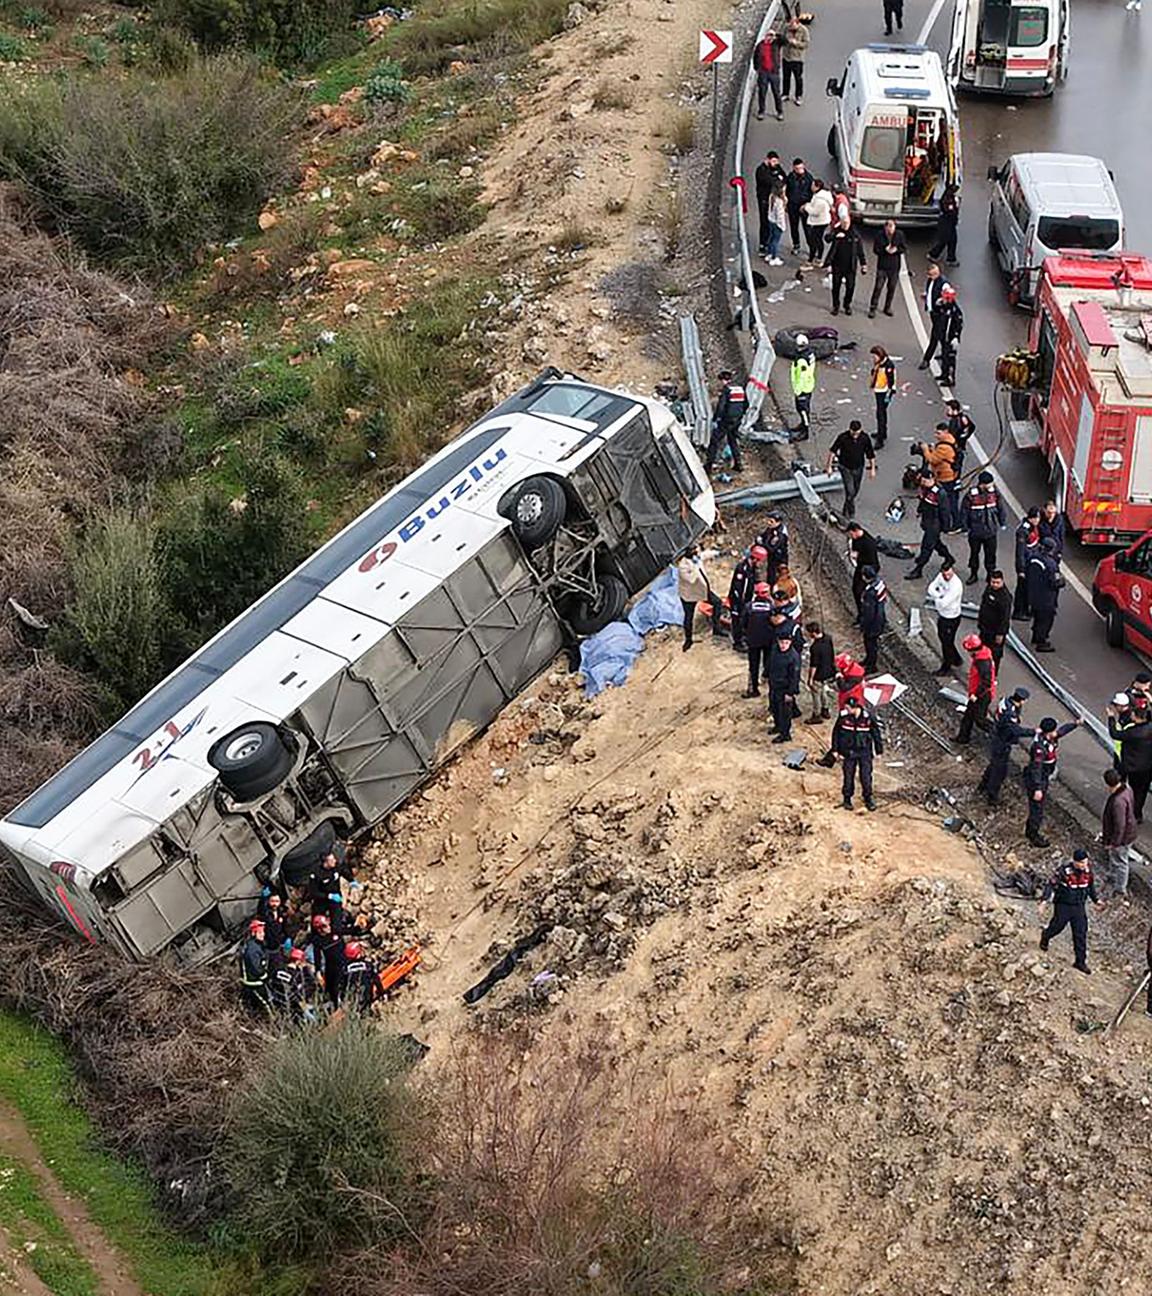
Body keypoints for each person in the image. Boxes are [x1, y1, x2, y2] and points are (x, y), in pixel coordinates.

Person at [1039, 849, 1099, 974]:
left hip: (1079, 906)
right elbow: (1050, 885)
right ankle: (1046, 936)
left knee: (1080, 934)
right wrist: (1044, 900)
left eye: (1085, 862)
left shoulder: (1088, 872)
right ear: (1075, 862)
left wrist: (1096, 900)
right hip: (1063, 905)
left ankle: (1080, 962)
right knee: (1057, 927)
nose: (1084, 865)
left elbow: (1090, 887)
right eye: (1081, 863)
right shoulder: (1063, 871)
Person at [1023, 716, 1081, 847]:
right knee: (1037, 809)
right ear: (1048, 732)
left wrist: (1075, 724)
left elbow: (1062, 731)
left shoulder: (1050, 738)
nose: (1056, 732)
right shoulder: (1039, 748)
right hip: (1037, 779)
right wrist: (1037, 788)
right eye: (1054, 730)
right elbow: (1036, 768)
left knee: (1039, 807)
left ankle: (1032, 830)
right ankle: (1032, 834)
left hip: (1044, 776)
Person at [977, 687, 1033, 806]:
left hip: (998, 735)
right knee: (999, 771)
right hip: (1002, 741)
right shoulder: (1010, 714)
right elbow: (1016, 730)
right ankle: (992, 796)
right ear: (1022, 700)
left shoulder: (1005, 701)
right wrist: (1034, 732)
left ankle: (983, 785)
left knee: (993, 764)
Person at [833, 694, 883, 811]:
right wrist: (836, 750)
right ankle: (847, 799)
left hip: (864, 752)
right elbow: (836, 734)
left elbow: (876, 734)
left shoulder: (868, 718)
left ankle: (868, 798)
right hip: (848, 751)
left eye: (848, 708)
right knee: (848, 776)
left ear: (854, 708)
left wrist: (879, 750)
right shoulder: (843, 717)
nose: (846, 710)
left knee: (865, 776)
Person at [1107, 693, 1152, 821]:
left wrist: (1110, 718)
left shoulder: (1134, 732)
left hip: (1133, 766)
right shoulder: (1149, 727)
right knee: (1141, 792)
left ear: (1137, 718)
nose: (1131, 715)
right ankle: (1137, 814)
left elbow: (1115, 734)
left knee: (1132, 790)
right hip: (1147, 767)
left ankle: (1127, 813)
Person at [905, 468, 954, 579]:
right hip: (927, 521)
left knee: (927, 547)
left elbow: (945, 511)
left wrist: (946, 527)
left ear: (931, 479)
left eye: (925, 480)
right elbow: (923, 501)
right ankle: (948, 557)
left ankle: (919, 569)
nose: (923, 482)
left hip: (934, 523)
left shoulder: (940, 493)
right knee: (936, 543)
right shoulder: (924, 489)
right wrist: (919, 511)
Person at [961, 470, 1008, 581]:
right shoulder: (971, 495)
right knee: (974, 554)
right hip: (975, 532)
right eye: (989, 484)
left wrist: (1002, 522)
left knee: (991, 555)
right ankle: (973, 574)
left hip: (990, 532)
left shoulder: (994, 493)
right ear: (982, 484)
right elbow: (964, 512)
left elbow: (1001, 508)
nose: (991, 485)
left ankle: (990, 574)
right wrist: (965, 528)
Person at [826, 420, 876, 520]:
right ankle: (850, 513)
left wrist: (872, 468)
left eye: (857, 433)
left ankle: (846, 509)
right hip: (845, 467)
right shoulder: (843, 437)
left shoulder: (864, 438)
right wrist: (829, 466)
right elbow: (832, 451)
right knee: (850, 490)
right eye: (853, 433)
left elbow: (870, 454)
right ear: (850, 430)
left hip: (859, 468)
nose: (854, 436)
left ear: (860, 430)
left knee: (854, 491)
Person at [1101, 768, 1137, 896]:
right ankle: (1112, 876)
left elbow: (1119, 825)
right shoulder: (1127, 789)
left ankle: (1120, 889)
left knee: (1121, 861)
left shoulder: (1117, 802)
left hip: (1122, 838)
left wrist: (1114, 843)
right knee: (1115, 858)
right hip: (1130, 831)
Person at [823, 215, 867, 316]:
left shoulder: (855, 235)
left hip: (850, 266)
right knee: (836, 287)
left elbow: (860, 251)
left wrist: (863, 264)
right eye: (843, 223)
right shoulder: (837, 231)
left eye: (847, 223)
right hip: (837, 265)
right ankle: (836, 306)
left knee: (850, 287)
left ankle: (847, 305)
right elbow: (827, 238)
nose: (845, 225)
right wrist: (835, 236)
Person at [956, 632, 995, 743]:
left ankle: (997, 732)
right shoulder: (983, 654)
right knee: (968, 717)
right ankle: (962, 738)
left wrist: (975, 695)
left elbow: (986, 682)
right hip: (979, 692)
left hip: (982, 694)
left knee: (979, 719)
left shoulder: (982, 662)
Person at [704, 370, 746, 473]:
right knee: (732, 441)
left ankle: (708, 466)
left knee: (715, 441)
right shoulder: (740, 389)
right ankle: (738, 464)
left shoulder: (727, 390)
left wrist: (715, 419)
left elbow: (721, 407)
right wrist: (739, 416)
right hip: (737, 420)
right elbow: (746, 404)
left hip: (727, 420)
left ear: (724, 380)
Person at [927, 559, 964, 675]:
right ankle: (956, 659)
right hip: (943, 615)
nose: (946, 577)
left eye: (949, 574)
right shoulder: (941, 576)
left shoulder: (956, 585)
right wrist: (939, 596)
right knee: (945, 639)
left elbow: (944, 603)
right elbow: (931, 588)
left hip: (951, 617)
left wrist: (937, 599)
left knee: (946, 642)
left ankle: (946, 666)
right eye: (945, 574)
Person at [920, 284, 963, 385]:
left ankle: (950, 379)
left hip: (951, 337)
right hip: (943, 335)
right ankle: (944, 374)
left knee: (950, 359)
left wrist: (956, 337)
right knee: (944, 356)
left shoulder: (955, 311)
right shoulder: (944, 306)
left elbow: (958, 325)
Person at [1026, 536, 1063, 652]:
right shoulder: (1051, 564)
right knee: (1046, 620)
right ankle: (1041, 642)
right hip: (1047, 597)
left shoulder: (1033, 558)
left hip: (1033, 594)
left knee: (1037, 617)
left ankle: (1035, 636)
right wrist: (1062, 581)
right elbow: (1055, 582)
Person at [728, 545, 767, 652]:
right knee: (737, 620)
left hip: (747, 599)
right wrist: (738, 604)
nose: (761, 564)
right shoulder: (742, 569)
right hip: (738, 600)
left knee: (745, 619)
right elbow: (738, 589)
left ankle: (743, 636)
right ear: (755, 559)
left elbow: (753, 581)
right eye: (760, 561)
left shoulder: (752, 568)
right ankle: (737, 643)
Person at [920, 425, 959, 530]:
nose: (936, 436)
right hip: (949, 474)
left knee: (948, 502)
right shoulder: (950, 440)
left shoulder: (944, 447)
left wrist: (925, 450)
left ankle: (954, 524)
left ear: (946, 432)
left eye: (938, 433)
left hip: (945, 476)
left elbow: (932, 460)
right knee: (951, 499)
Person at [677, 544, 715, 651]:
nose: (696, 552)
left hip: (702, 591)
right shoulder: (683, 566)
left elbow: (704, 555)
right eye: (693, 550)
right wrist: (695, 566)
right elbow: (691, 579)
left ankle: (717, 628)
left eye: (696, 549)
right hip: (689, 596)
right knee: (689, 618)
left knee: (717, 603)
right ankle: (688, 640)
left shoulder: (696, 558)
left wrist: (717, 553)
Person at [767, 628, 801, 743]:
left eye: (786, 643)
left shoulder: (793, 657)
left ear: (790, 642)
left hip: (785, 688)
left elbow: (795, 677)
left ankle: (785, 734)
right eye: (781, 642)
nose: (783, 645)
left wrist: (791, 692)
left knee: (785, 713)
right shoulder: (775, 650)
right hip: (774, 685)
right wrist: (765, 675)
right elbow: (770, 663)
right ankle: (777, 726)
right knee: (774, 708)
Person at [742, 582, 774, 697]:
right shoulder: (772, 607)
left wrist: (747, 634)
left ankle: (753, 689)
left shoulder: (749, 606)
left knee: (753, 666)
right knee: (769, 663)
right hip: (768, 641)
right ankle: (770, 686)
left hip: (753, 640)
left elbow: (743, 623)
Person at [977, 570, 1013, 670]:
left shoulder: (1005, 597)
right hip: (985, 628)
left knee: (995, 654)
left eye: (997, 582)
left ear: (1002, 581)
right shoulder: (989, 589)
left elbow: (1005, 617)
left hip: (995, 631)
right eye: (993, 582)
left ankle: (993, 673)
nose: (995, 585)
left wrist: (1000, 633)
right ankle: (981, 670)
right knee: (981, 651)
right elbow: (983, 606)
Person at [869, 220, 906, 318]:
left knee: (892, 287)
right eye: (888, 226)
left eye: (892, 226)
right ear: (885, 227)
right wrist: (884, 250)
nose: (890, 229)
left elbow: (904, 248)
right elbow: (875, 250)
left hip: (894, 266)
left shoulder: (899, 235)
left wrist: (896, 250)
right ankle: (873, 307)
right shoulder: (879, 236)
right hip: (882, 266)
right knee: (878, 287)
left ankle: (887, 307)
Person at [847, 521, 880, 622]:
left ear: (856, 531)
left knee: (862, 592)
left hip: (869, 568)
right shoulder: (856, 540)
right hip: (860, 567)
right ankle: (861, 613)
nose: (851, 537)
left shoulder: (869, 543)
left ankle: (865, 616)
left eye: (851, 534)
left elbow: (870, 559)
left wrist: (858, 556)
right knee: (855, 590)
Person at [756, 152, 787, 257]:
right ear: (767, 159)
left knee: (772, 222)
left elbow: (784, 178)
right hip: (764, 199)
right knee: (765, 221)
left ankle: (769, 245)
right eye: (773, 161)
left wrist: (779, 179)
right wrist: (778, 179)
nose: (775, 164)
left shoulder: (777, 168)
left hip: (773, 198)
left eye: (776, 161)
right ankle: (763, 245)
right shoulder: (761, 170)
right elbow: (770, 181)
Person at [1013, 507, 1040, 620]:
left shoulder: (1033, 528)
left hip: (1031, 562)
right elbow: (1020, 552)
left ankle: (1025, 609)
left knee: (1029, 588)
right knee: (1022, 590)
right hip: (1025, 565)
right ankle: (1018, 611)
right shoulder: (1023, 531)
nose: (1038, 520)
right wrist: (1021, 569)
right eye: (1036, 518)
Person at [238, 918, 270, 1014]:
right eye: (260, 933)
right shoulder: (252, 949)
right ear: (253, 933)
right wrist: (265, 976)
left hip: (252, 983)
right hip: (253, 983)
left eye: (263, 932)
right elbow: (256, 968)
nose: (263, 934)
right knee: (265, 1005)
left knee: (253, 1006)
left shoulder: (255, 945)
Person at [859, 565, 887, 673]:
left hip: (873, 623)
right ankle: (869, 660)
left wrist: (864, 625)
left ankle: (871, 666)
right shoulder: (879, 583)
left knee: (870, 643)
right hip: (880, 618)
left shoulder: (870, 593)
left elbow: (869, 613)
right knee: (871, 643)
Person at [805, 621, 836, 722]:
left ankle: (816, 714)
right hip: (828, 670)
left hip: (819, 674)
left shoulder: (815, 647)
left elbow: (814, 665)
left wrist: (810, 679)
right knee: (823, 690)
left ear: (813, 633)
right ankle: (825, 709)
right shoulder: (828, 638)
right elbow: (832, 654)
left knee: (816, 694)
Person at [784, 157, 814, 255]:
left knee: (807, 228)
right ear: (793, 168)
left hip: (804, 206)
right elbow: (786, 191)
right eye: (797, 169)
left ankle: (811, 247)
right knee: (794, 226)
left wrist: (808, 204)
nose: (800, 170)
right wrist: (786, 204)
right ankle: (796, 245)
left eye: (801, 168)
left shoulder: (809, 177)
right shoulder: (790, 178)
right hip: (793, 206)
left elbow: (812, 192)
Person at [753, 29, 784, 121]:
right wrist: (757, 68)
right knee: (762, 93)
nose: (769, 37)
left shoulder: (776, 44)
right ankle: (761, 111)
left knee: (776, 93)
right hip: (763, 72)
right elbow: (755, 57)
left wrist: (776, 35)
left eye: (771, 35)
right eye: (768, 35)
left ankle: (780, 111)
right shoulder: (760, 45)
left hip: (773, 72)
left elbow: (784, 40)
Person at [868, 345, 896, 449]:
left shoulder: (888, 366)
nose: (873, 359)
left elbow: (891, 382)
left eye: (874, 356)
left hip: (884, 392)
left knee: (881, 415)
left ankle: (880, 439)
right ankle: (882, 432)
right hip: (878, 390)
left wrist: (888, 395)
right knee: (881, 413)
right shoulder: (879, 364)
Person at [801, 177, 833, 264]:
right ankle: (818, 257)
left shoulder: (820, 200)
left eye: (812, 185)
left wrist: (806, 207)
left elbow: (815, 212)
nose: (811, 187)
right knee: (818, 240)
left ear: (817, 187)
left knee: (814, 241)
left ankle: (812, 259)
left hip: (819, 222)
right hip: (823, 221)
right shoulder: (822, 195)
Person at [340, 941, 379, 1011]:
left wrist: (343, 999)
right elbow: (376, 980)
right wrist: (382, 993)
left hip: (353, 1000)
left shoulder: (345, 969)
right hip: (367, 997)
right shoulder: (368, 966)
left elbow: (342, 985)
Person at [928, 182, 960, 266]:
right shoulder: (947, 198)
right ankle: (933, 254)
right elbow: (949, 210)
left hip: (950, 221)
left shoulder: (951, 197)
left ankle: (950, 258)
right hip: (946, 221)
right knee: (945, 240)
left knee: (952, 240)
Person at [790, 334, 816, 438]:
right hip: (808, 385)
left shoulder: (802, 360)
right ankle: (802, 425)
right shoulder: (809, 354)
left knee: (802, 409)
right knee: (803, 409)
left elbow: (802, 377)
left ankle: (805, 431)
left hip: (802, 388)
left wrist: (798, 391)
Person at [781, 14, 809, 106]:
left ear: (797, 23)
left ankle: (798, 96)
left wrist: (796, 43)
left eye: (793, 25)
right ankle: (785, 94)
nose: (791, 27)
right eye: (790, 24)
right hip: (786, 57)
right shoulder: (786, 28)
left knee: (798, 78)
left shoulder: (804, 30)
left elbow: (806, 44)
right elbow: (782, 38)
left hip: (797, 59)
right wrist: (786, 41)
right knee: (786, 77)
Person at [945, 399, 977, 471]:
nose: (947, 411)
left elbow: (952, 435)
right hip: (960, 447)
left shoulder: (955, 421)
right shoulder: (963, 418)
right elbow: (972, 427)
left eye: (948, 409)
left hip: (955, 449)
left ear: (954, 410)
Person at [758, 512, 789, 581]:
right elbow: (763, 536)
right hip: (772, 557)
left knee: (775, 577)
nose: (768, 523)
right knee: (770, 573)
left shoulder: (780, 535)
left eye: (771, 521)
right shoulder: (772, 528)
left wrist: (762, 543)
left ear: (778, 522)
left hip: (778, 560)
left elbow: (771, 548)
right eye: (768, 520)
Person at [763, 179, 787, 265]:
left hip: (771, 221)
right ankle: (774, 257)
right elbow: (780, 216)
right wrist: (782, 226)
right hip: (777, 223)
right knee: (775, 241)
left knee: (771, 238)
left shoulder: (772, 196)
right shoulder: (780, 202)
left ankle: (769, 254)